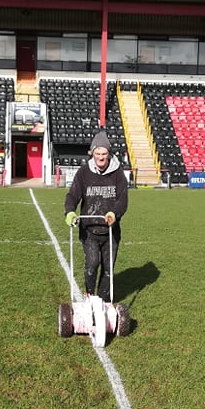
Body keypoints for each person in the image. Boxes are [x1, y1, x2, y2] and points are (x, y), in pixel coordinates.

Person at [64, 129, 129, 302]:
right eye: (97, 154)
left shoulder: (118, 173)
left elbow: (123, 199)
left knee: (108, 269)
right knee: (92, 264)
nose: (101, 158)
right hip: (89, 230)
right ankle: (90, 295)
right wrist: (70, 211)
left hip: (110, 230)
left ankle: (102, 301)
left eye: (104, 154)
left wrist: (114, 213)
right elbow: (73, 195)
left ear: (109, 154)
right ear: (92, 153)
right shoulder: (84, 172)